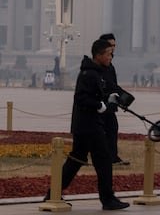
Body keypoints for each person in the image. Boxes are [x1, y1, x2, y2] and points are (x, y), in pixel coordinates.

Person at [43, 39, 129, 210]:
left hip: (85, 125)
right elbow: (81, 98)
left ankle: (52, 194)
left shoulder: (96, 72)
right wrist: (100, 105)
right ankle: (108, 199)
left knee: (76, 159)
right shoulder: (89, 74)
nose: (111, 57)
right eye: (108, 54)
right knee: (103, 160)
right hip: (89, 126)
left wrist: (108, 99)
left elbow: (95, 93)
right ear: (98, 55)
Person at [99, 33, 129, 166]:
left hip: (110, 105)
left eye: (114, 45)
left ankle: (112, 157)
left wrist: (122, 96)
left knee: (112, 128)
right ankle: (108, 158)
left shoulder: (110, 65)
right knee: (103, 132)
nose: (113, 48)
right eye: (111, 45)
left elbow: (113, 85)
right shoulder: (99, 66)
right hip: (100, 105)